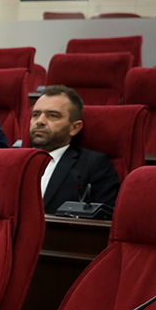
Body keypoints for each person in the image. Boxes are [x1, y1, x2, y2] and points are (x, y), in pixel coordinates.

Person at [32, 85, 122, 214]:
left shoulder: (94, 165)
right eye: (35, 115)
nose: (40, 121)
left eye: (52, 116)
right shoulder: (14, 161)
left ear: (75, 127)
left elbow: (105, 217)